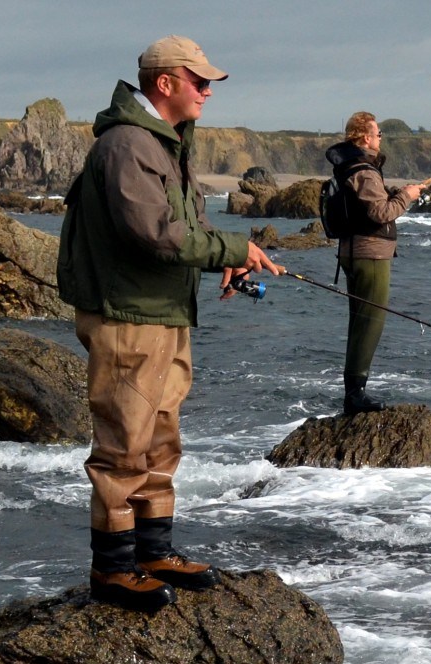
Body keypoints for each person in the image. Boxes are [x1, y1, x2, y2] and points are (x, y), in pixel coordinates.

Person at [57, 35, 285, 611]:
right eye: (199, 81)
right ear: (166, 83)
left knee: (160, 438)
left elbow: (189, 225)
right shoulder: (127, 144)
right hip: (127, 316)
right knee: (124, 444)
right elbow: (154, 233)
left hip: (162, 313)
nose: (208, 91)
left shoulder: (167, 141)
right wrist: (233, 246)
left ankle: (153, 552)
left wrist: (226, 258)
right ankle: (113, 569)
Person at [323, 112, 431, 414]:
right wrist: (407, 197)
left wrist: (399, 192)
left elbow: (371, 203)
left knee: (360, 322)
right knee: (369, 323)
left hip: (355, 252)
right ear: (365, 137)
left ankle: (354, 392)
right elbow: (381, 213)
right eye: (378, 133)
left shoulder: (351, 167)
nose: (381, 137)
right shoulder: (364, 171)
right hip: (369, 255)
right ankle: (355, 395)